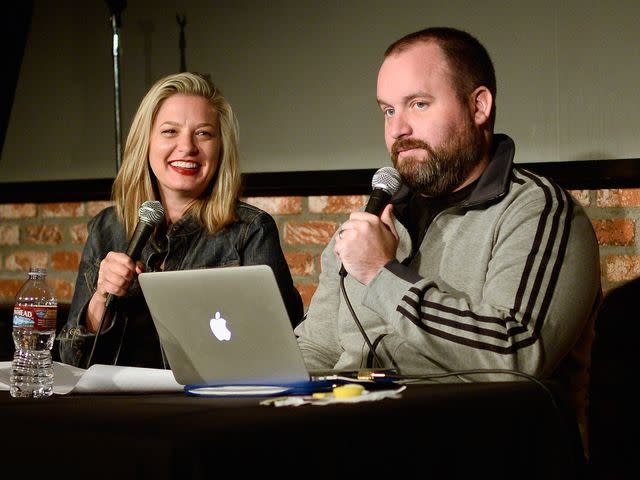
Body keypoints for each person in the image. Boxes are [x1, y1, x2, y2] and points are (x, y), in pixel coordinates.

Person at [294, 27, 601, 442]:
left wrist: (382, 274)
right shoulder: (373, 222)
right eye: (387, 111)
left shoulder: (537, 210)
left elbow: (515, 354)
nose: (398, 128)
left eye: (418, 104)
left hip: (480, 451)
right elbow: (319, 351)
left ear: (478, 106)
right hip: (355, 444)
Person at [59, 72, 303, 368]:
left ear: (220, 148)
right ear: (145, 142)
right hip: (117, 406)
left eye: (203, 133)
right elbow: (71, 358)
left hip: (207, 405)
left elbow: (281, 348)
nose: (187, 147)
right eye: (170, 131)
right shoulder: (107, 227)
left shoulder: (250, 230)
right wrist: (100, 299)